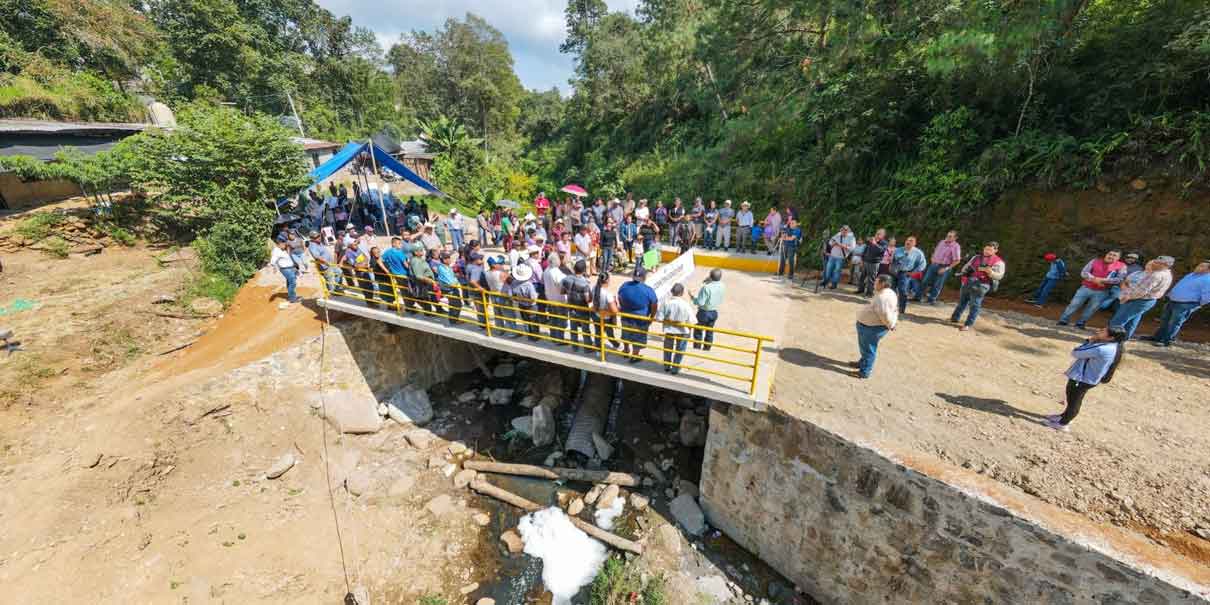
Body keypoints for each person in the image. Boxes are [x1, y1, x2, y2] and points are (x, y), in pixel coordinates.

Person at [1044, 326, 1127, 432]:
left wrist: (1090, 341)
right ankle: (1063, 416)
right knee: (1072, 399)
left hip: (1082, 379)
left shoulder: (1101, 348)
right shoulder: (1114, 346)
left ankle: (1063, 424)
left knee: (1074, 401)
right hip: (1089, 379)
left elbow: (1076, 352)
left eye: (1103, 331)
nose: (1098, 330)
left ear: (1110, 337)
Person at [1144, 260, 1210, 347]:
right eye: (1199, 265)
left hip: (1186, 304)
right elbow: (1181, 286)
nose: (1198, 267)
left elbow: (1207, 296)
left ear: (1208, 270)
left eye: (1202, 266)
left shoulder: (1207, 280)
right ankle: (1157, 337)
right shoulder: (1190, 275)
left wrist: (1196, 305)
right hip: (1172, 301)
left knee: (1174, 322)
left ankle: (1166, 341)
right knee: (1165, 320)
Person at [1108, 256, 1173, 339]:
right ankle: (1122, 341)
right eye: (1155, 261)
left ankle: (1108, 341)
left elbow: (1141, 292)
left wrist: (1127, 297)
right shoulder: (1167, 273)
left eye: (1158, 263)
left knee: (1117, 321)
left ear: (1166, 265)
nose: (1154, 263)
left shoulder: (1156, 275)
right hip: (1145, 300)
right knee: (1131, 322)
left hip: (1138, 300)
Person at [1058, 250, 1126, 329]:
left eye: (1114, 255)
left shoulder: (1122, 266)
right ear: (1106, 254)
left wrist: (1102, 280)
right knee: (1074, 304)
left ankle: (1080, 323)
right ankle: (1063, 320)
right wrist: (1094, 279)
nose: (1111, 256)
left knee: (1091, 309)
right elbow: (1084, 273)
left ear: (1118, 258)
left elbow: (1119, 279)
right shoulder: (1095, 261)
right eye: (1109, 254)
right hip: (1086, 288)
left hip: (1102, 291)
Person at [950, 242, 1006, 331]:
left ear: (995, 251)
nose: (987, 251)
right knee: (962, 302)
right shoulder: (976, 257)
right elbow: (965, 267)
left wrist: (990, 272)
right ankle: (954, 318)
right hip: (969, 281)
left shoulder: (999, 262)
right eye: (986, 249)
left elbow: (999, 276)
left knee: (975, 305)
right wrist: (965, 273)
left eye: (990, 250)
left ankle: (968, 324)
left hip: (982, 285)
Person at [851, 274, 897, 379]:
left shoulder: (883, 297)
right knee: (865, 348)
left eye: (876, 282)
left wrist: (891, 325)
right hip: (870, 326)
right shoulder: (888, 292)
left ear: (883, 284)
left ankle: (864, 372)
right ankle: (863, 363)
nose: (874, 283)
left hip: (872, 328)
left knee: (868, 350)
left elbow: (885, 314)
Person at [617, 265, 660, 362]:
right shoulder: (648, 290)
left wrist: (624, 307)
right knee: (638, 337)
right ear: (644, 277)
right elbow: (654, 304)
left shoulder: (624, 285)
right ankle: (635, 356)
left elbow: (619, 297)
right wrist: (652, 317)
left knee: (626, 333)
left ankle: (626, 350)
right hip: (641, 318)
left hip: (626, 315)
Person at [656, 283, 695, 374]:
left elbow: (659, 318)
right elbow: (691, 321)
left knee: (668, 347)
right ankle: (675, 368)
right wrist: (690, 331)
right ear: (682, 293)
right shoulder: (686, 305)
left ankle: (667, 366)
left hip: (669, 330)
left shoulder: (666, 303)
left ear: (672, 292)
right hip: (682, 330)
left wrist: (668, 320)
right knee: (680, 349)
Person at [917, 230, 962, 304]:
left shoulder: (956, 246)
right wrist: (932, 258)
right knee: (925, 281)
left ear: (955, 238)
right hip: (934, 265)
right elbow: (936, 251)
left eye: (950, 236)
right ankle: (917, 297)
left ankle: (931, 300)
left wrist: (946, 269)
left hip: (944, 267)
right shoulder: (942, 242)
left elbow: (957, 260)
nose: (948, 237)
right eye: (947, 235)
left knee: (937, 284)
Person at [562, 259, 596, 351]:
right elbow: (587, 300)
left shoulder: (566, 279)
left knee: (573, 328)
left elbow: (562, 292)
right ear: (584, 270)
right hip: (582, 309)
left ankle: (574, 347)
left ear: (574, 268)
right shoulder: (585, 283)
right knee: (585, 329)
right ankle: (587, 348)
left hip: (571, 308)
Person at [690, 269, 724, 350]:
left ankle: (697, 347)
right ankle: (707, 348)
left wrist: (692, 297)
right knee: (709, 331)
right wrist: (710, 280)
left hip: (704, 312)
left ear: (710, 276)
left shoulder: (706, 288)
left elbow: (700, 302)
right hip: (714, 312)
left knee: (698, 330)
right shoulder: (722, 285)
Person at [891, 236, 926, 314]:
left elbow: (923, 264)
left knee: (902, 291)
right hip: (895, 272)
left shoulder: (918, 253)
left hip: (905, 273)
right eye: (907, 240)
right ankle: (891, 306)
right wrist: (892, 268)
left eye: (911, 241)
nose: (908, 242)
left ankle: (901, 309)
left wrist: (913, 272)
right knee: (892, 290)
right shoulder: (898, 250)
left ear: (914, 243)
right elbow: (892, 260)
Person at [507, 263, 541, 340]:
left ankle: (529, 335)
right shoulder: (529, 285)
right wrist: (537, 295)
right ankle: (535, 337)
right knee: (533, 321)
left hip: (521, 304)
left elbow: (510, 295)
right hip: (531, 305)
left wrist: (518, 299)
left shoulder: (514, 283)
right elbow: (533, 298)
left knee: (526, 320)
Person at [543, 252, 569, 342]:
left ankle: (553, 336)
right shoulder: (556, 272)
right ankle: (559, 339)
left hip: (550, 299)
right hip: (559, 300)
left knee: (553, 319)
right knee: (561, 320)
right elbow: (563, 285)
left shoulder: (546, 270)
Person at [593, 272, 621, 349]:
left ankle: (598, 349)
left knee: (598, 332)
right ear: (607, 280)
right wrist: (618, 305)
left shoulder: (594, 288)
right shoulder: (608, 294)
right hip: (606, 318)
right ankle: (616, 345)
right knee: (609, 333)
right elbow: (615, 311)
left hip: (596, 315)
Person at [407, 244, 437, 315]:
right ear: (415, 252)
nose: (422, 251)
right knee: (425, 298)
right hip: (422, 283)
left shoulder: (419, 259)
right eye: (420, 250)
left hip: (425, 283)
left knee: (429, 297)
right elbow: (418, 276)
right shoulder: (416, 261)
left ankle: (436, 310)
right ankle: (428, 313)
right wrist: (430, 280)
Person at [856, 229, 887, 296]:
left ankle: (869, 293)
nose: (877, 235)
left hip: (874, 263)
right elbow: (865, 250)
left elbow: (881, 250)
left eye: (879, 234)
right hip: (866, 261)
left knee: (871, 279)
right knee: (862, 276)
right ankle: (860, 290)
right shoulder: (871, 241)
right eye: (877, 233)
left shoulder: (884, 243)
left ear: (883, 236)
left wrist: (875, 243)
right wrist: (862, 259)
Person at [270, 239, 301, 305]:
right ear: (279, 244)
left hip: (290, 267)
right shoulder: (276, 251)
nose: (285, 245)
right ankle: (292, 298)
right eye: (283, 244)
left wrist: (294, 267)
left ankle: (292, 296)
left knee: (290, 281)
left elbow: (289, 257)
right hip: (285, 269)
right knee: (293, 282)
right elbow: (272, 261)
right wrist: (274, 267)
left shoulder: (283, 249)